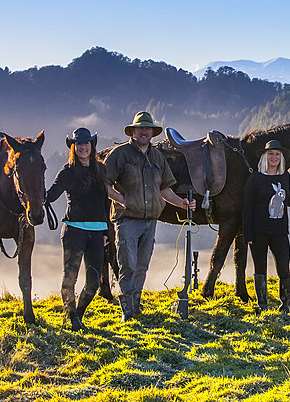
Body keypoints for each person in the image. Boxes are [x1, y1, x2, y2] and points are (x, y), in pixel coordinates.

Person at [104, 111, 196, 321]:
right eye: (140, 128)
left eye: (148, 129)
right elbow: (104, 183)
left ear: (152, 132)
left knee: (142, 265)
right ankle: (126, 310)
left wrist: (181, 203)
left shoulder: (157, 157)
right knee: (127, 263)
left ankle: (135, 306)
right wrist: (121, 199)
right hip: (127, 219)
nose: (144, 132)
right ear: (133, 131)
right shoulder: (120, 154)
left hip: (150, 220)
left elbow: (164, 188)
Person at [242, 140, 290, 315]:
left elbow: (289, 200)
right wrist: (247, 233)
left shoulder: (285, 177)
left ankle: (285, 306)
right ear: (265, 156)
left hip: (280, 232)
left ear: (281, 157)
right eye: (271, 154)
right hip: (258, 232)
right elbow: (247, 207)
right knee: (260, 268)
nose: (274, 157)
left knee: (284, 268)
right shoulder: (255, 178)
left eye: (277, 154)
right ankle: (262, 305)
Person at [45, 127, 112, 330]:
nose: (83, 147)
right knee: (70, 278)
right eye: (79, 144)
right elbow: (52, 195)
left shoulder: (101, 169)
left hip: (97, 231)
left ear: (92, 146)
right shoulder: (67, 171)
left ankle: (77, 316)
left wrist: (106, 232)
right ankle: (73, 319)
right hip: (74, 230)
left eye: (86, 143)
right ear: (73, 147)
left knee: (94, 283)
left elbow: (105, 201)